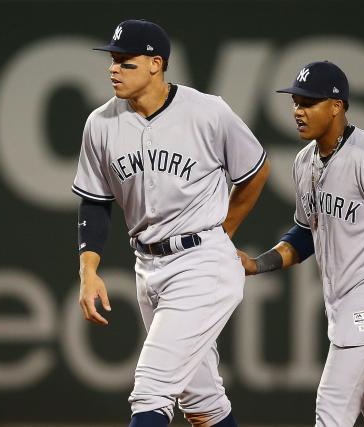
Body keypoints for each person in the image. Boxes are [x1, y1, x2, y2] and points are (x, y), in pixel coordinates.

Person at [72, 19, 269, 427]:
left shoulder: (208, 112)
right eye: (113, 59)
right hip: (148, 267)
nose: (114, 68)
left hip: (202, 264)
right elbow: (94, 203)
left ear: (155, 64)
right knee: (202, 403)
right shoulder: (101, 123)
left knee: (150, 389)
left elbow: (255, 171)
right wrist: (88, 272)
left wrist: (223, 230)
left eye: (126, 61)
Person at [238, 60, 364, 427]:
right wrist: (258, 264)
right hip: (344, 301)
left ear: (336, 106)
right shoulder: (304, 161)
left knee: (332, 406)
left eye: (308, 103)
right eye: (295, 102)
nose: (297, 111)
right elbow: (305, 233)